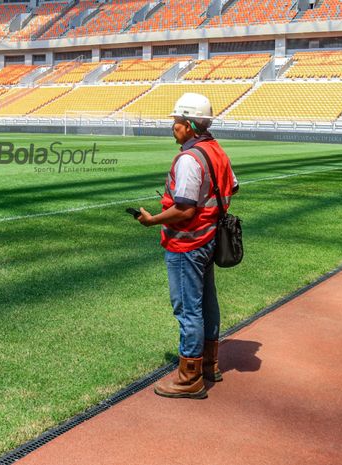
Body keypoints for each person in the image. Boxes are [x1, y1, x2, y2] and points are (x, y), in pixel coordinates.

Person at [135, 93, 238, 399]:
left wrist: (152, 220)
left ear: (191, 125)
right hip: (209, 238)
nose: (174, 127)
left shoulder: (189, 159)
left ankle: (189, 377)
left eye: (178, 121)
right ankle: (209, 363)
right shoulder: (216, 150)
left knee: (187, 308)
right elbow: (232, 186)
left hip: (187, 243)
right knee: (207, 303)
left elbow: (184, 209)